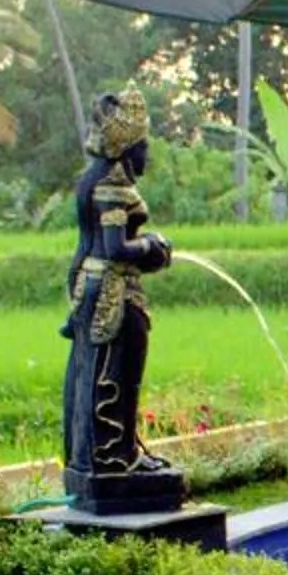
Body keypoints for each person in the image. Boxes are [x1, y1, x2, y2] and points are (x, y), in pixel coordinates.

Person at [61, 91, 180, 513]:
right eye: (144, 147)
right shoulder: (112, 186)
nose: (147, 156)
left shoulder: (95, 178)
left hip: (98, 287)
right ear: (130, 149)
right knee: (119, 375)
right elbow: (115, 248)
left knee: (104, 373)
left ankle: (117, 452)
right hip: (114, 292)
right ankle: (115, 455)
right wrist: (153, 245)